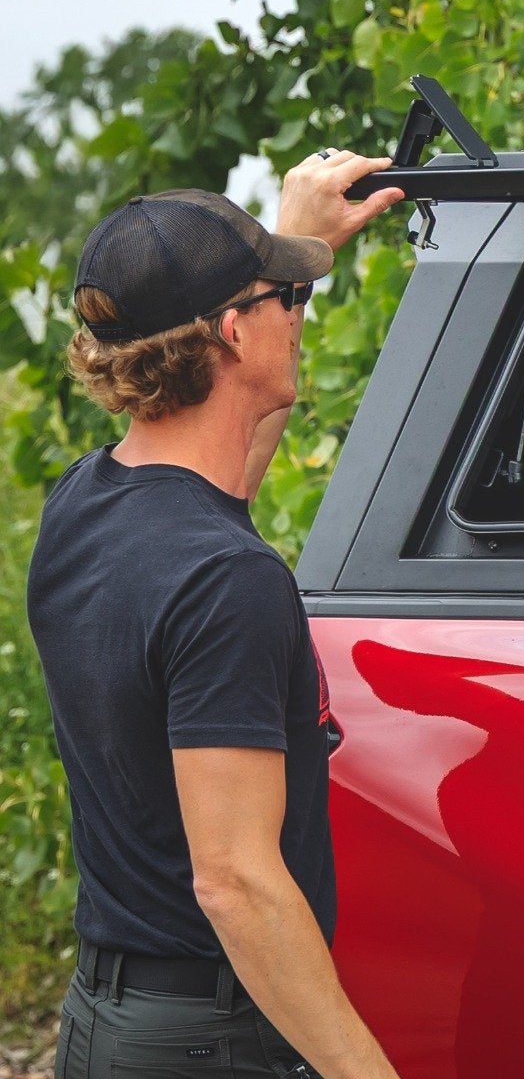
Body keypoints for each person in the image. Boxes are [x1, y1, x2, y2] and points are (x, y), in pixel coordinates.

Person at [26, 150, 408, 1079]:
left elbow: (226, 468)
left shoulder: (84, 502)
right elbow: (236, 883)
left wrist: (296, 254)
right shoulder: (228, 579)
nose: (295, 317)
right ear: (234, 332)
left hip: (106, 1021)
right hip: (210, 1041)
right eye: (284, 302)